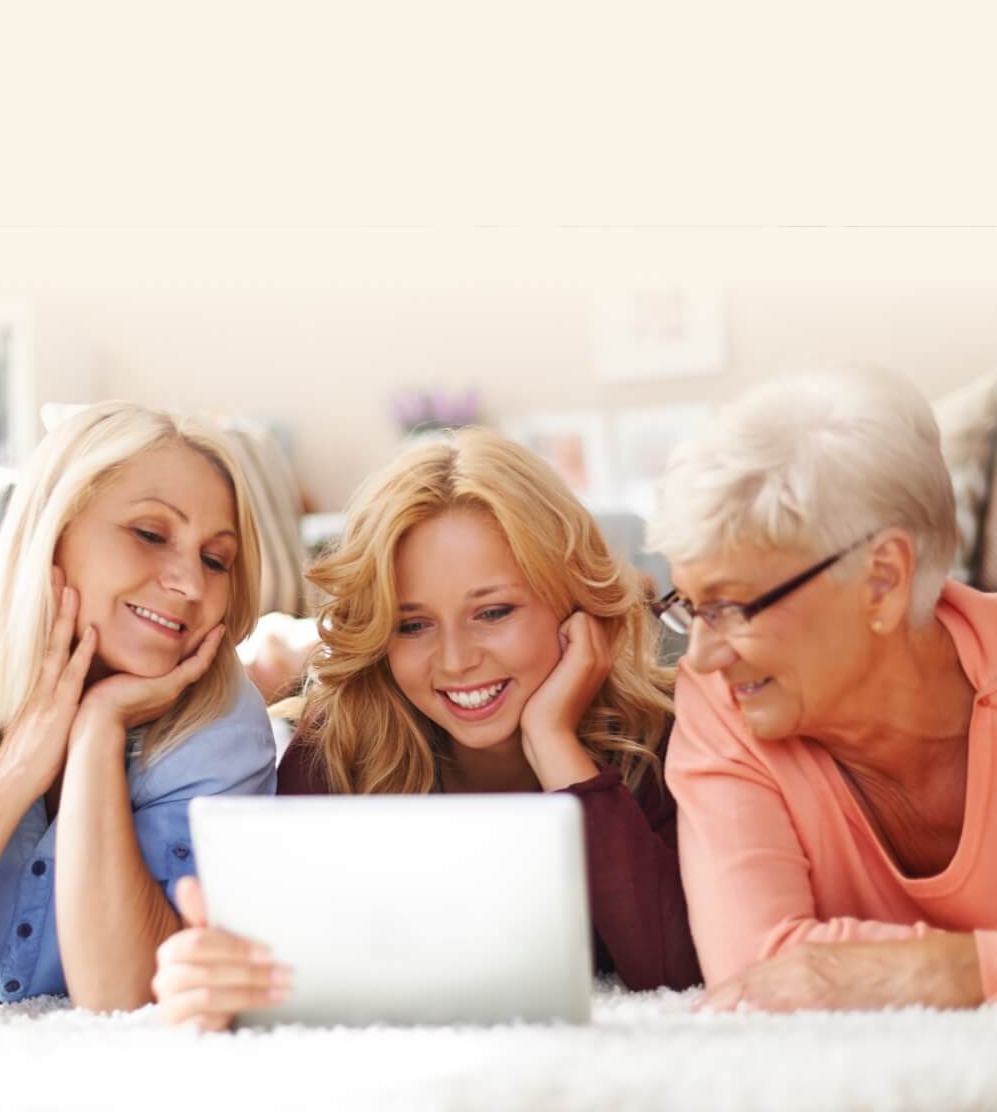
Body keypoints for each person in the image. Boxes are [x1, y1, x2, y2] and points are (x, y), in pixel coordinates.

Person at [153, 428, 700, 1028]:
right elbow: (285, 974)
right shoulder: (338, 750)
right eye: (413, 625)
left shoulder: (667, 739)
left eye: (493, 613)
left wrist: (556, 746)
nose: (456, 660)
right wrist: (208, 978)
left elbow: (675, 972)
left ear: (574, 604)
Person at [649, 365, 997, 1012]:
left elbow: (797, 974)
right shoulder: (726, 702)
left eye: (732, 607)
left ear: (881, 578)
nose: (703, 654)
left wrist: (943, 971)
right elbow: (752, 969)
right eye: (690, 604)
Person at [0, 401, 277, 1014]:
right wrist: (12, 777)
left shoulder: (220, 725)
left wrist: (97, 730)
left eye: (214, 559)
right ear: (53, 531)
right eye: (150, 534)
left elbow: (126, 1001)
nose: (190, 585)